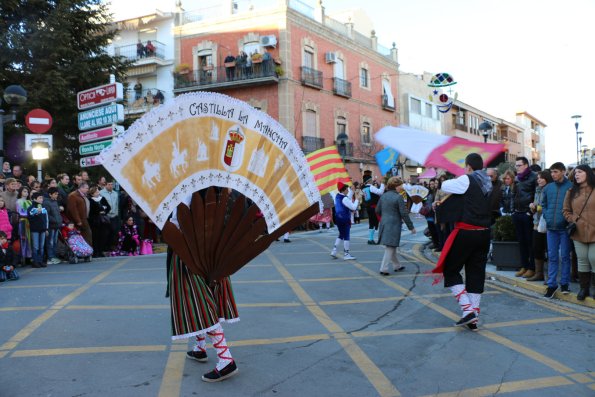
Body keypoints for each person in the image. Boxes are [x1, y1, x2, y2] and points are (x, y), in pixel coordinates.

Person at [431, 153, 492, 331]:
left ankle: (467, 310)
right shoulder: (488, 182)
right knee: (475, 272)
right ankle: (474, 317)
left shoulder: (467, 179)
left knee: (450, 269)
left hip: (467, 232)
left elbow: (444, 185)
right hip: (485, 233)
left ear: (468, 167)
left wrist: (447, 174)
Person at [563, 164, 595, 301]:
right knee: (582, 260)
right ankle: (584, 289)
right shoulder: (571, 191)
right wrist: (573, 219)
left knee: (593, 258)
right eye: (575, 173)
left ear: (587, 173)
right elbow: (565, 210)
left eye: (580, 172)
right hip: (579, 231)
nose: (576, 174)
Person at [541, 162, 573, 297]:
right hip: (551, 228)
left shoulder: (571, 187)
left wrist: (568, 220)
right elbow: (544, 204)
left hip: (565, 228)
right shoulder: (548, 188)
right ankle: (551, 285)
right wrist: (548, 217)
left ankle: (564, 283)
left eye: (556, 172)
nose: (553, 174)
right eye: (552, 172)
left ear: (563, 171)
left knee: (565, 256)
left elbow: (574, 206)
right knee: (552, 257)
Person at [376, 177, 416, 275]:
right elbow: (404, 213)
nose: (402, 187)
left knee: (391, 245)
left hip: (384, 223)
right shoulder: (398, 197)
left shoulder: (383, 196)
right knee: (390, 246)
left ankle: (397, 265)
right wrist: (411, 227)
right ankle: (383, 268)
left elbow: (377, 210)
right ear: (396, 186)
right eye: (401, 185)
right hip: (394, 224)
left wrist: (386, 215)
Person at [511, 157, 537, 278]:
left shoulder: (534, 176)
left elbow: (536, 195)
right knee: (521, 242)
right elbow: (513, 194)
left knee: (530, 242)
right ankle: (524, 266)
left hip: (528, 214)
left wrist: (530, 212)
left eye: (519, 165)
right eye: (516, 165)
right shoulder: (517, 178)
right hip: (517, 213)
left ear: (526, 165)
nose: (517, 167)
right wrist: (513, 211)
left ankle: (532, 268)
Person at [527, 170, 553, 282]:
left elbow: (550, 207)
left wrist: (537, 207)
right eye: (538, 178)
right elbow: (536, 207)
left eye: (541, 178)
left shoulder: (551, 189)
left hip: (548, 224)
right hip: (537, 223)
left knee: (550, 250)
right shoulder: (537, 190)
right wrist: (532, 207)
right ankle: (539, 273)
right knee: (537, 249)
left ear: (547, 178)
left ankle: (550, 276)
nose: (539, 180)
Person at [330, 182, 359, 260]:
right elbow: (353, 207)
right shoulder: (344, 198)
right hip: (345, 218)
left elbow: (347, 199)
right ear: (344, 190)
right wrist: (357, 199)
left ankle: (334, 250)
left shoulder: (337, 196)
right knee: (346, 235)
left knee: (341, 234)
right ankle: (346, 254)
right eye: (347, 189)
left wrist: (352, 191)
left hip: (338, 218)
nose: (348, 190)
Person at [66, 182, 92, 246]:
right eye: (86, 188)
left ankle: (87, 251)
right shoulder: (73, 195)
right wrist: (78, 220)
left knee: (87, 235)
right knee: (85, 235)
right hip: (78, 221)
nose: (87, 190)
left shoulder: (82, 195)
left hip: (84, 219)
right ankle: (85, 251)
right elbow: (73, 210)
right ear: (81, 188)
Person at [88, 186, 111, 257]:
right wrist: (101, 209)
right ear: (92, 193)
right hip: (94, 221)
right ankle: (95, 252)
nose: (98, 193)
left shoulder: (102, 198)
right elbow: (92, 210)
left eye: (98, 191)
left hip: (103, 221)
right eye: (96, 192)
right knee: (95, 237)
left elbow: (108, 207)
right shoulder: (90, 200)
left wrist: (104, 211)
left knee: (103, 236)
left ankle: (101, 251)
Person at [27, 192, 49, 268]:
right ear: (34, 199)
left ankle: (41, 261)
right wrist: (36, 213)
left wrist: (46, 228)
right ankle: (35, 261)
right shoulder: (31, 208)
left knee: (41, 246)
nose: (41, 199)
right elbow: (30, 217)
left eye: (42, 198)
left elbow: (46, 219)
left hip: (43, 229)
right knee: (35, 246)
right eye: (40, 198)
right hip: (35, 230)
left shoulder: (43, 208)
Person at [362, 175, 385, 244]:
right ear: (369, 181)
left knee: (371, 223)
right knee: (380, 221)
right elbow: (380, 192)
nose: (372, 180)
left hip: (368, 207)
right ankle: (381, 238)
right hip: (374, 207)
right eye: (371, 179)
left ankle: (370, 239)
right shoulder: (371, 187)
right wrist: (382, 184)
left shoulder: (363, 188)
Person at [43, 187, 62, 265]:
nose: (56, 195)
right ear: (50, 194)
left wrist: (59, 220)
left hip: (56, 225)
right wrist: (55, 220)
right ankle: (50, 257)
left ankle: (54, 256)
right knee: (50, 242)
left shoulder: (55, 202)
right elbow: (47, 215)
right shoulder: (46, 202)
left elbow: (57, 213)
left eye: (57, 194)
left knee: (54, 242)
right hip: (51, 225)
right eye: (55, 194)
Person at [100, 181, 120, 250]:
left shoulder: (115, 193)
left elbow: (117, 204)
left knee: (114, 231)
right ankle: (105, 247)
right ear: (105, 185)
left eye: (112, 184)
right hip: (106, 216)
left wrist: (116, 213)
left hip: (114, 215)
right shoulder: (101, 193)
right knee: (106, 232)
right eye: (109, 184)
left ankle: (112, 246)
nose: (110, 186)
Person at [16, 186, 33, 266]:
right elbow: (19, 212)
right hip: (23, 221)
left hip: (29, 222)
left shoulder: (30, 201)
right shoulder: (19, 201)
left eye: (27, 191)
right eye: (24, 191)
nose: (26, 193)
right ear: (20, 192)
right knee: (23, 238)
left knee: (29, 239)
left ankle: (28, 257)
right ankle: (22, 258)